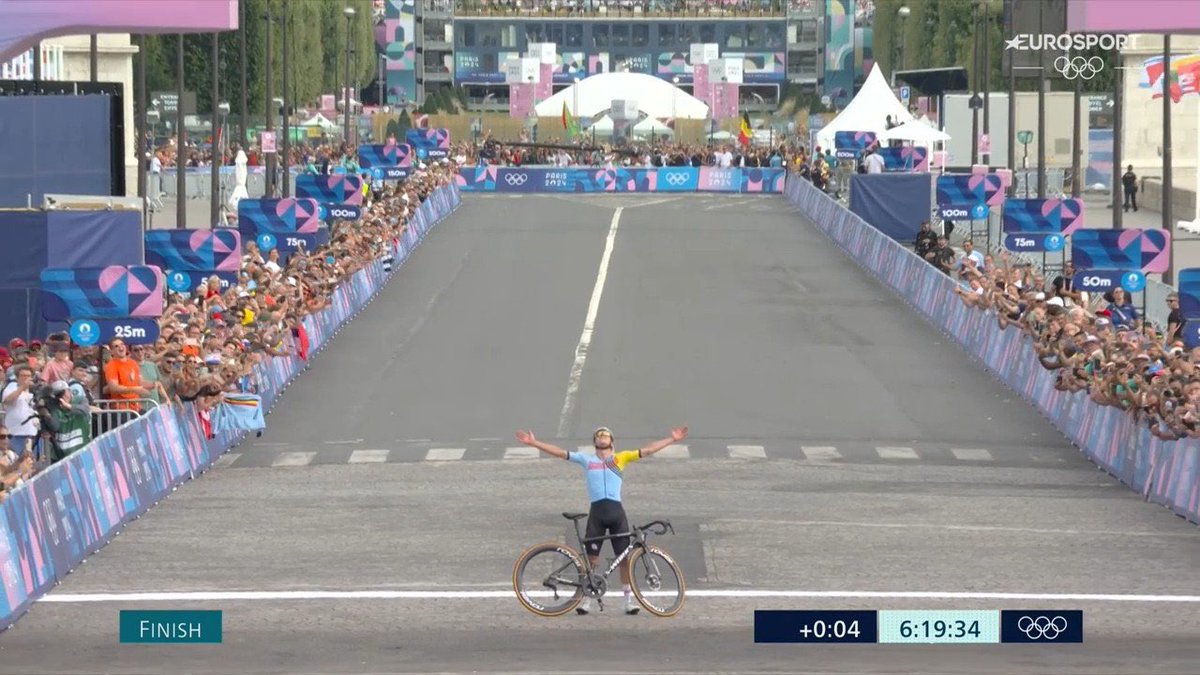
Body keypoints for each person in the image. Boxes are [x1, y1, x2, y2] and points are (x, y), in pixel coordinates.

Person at [514, 424, 689, 616]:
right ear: (595, 442)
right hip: (597, 513)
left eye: (605, 435)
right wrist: (534, 442)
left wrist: (672, 439)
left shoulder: (620, 459)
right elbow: (559, 453)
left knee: (624, 560)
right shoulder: (587, 460)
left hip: (616, 513)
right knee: (591, 560)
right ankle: (587, 599)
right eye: (598, 435)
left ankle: (628, 602)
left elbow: (648, 450)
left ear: (612, 442)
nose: (602, 436)